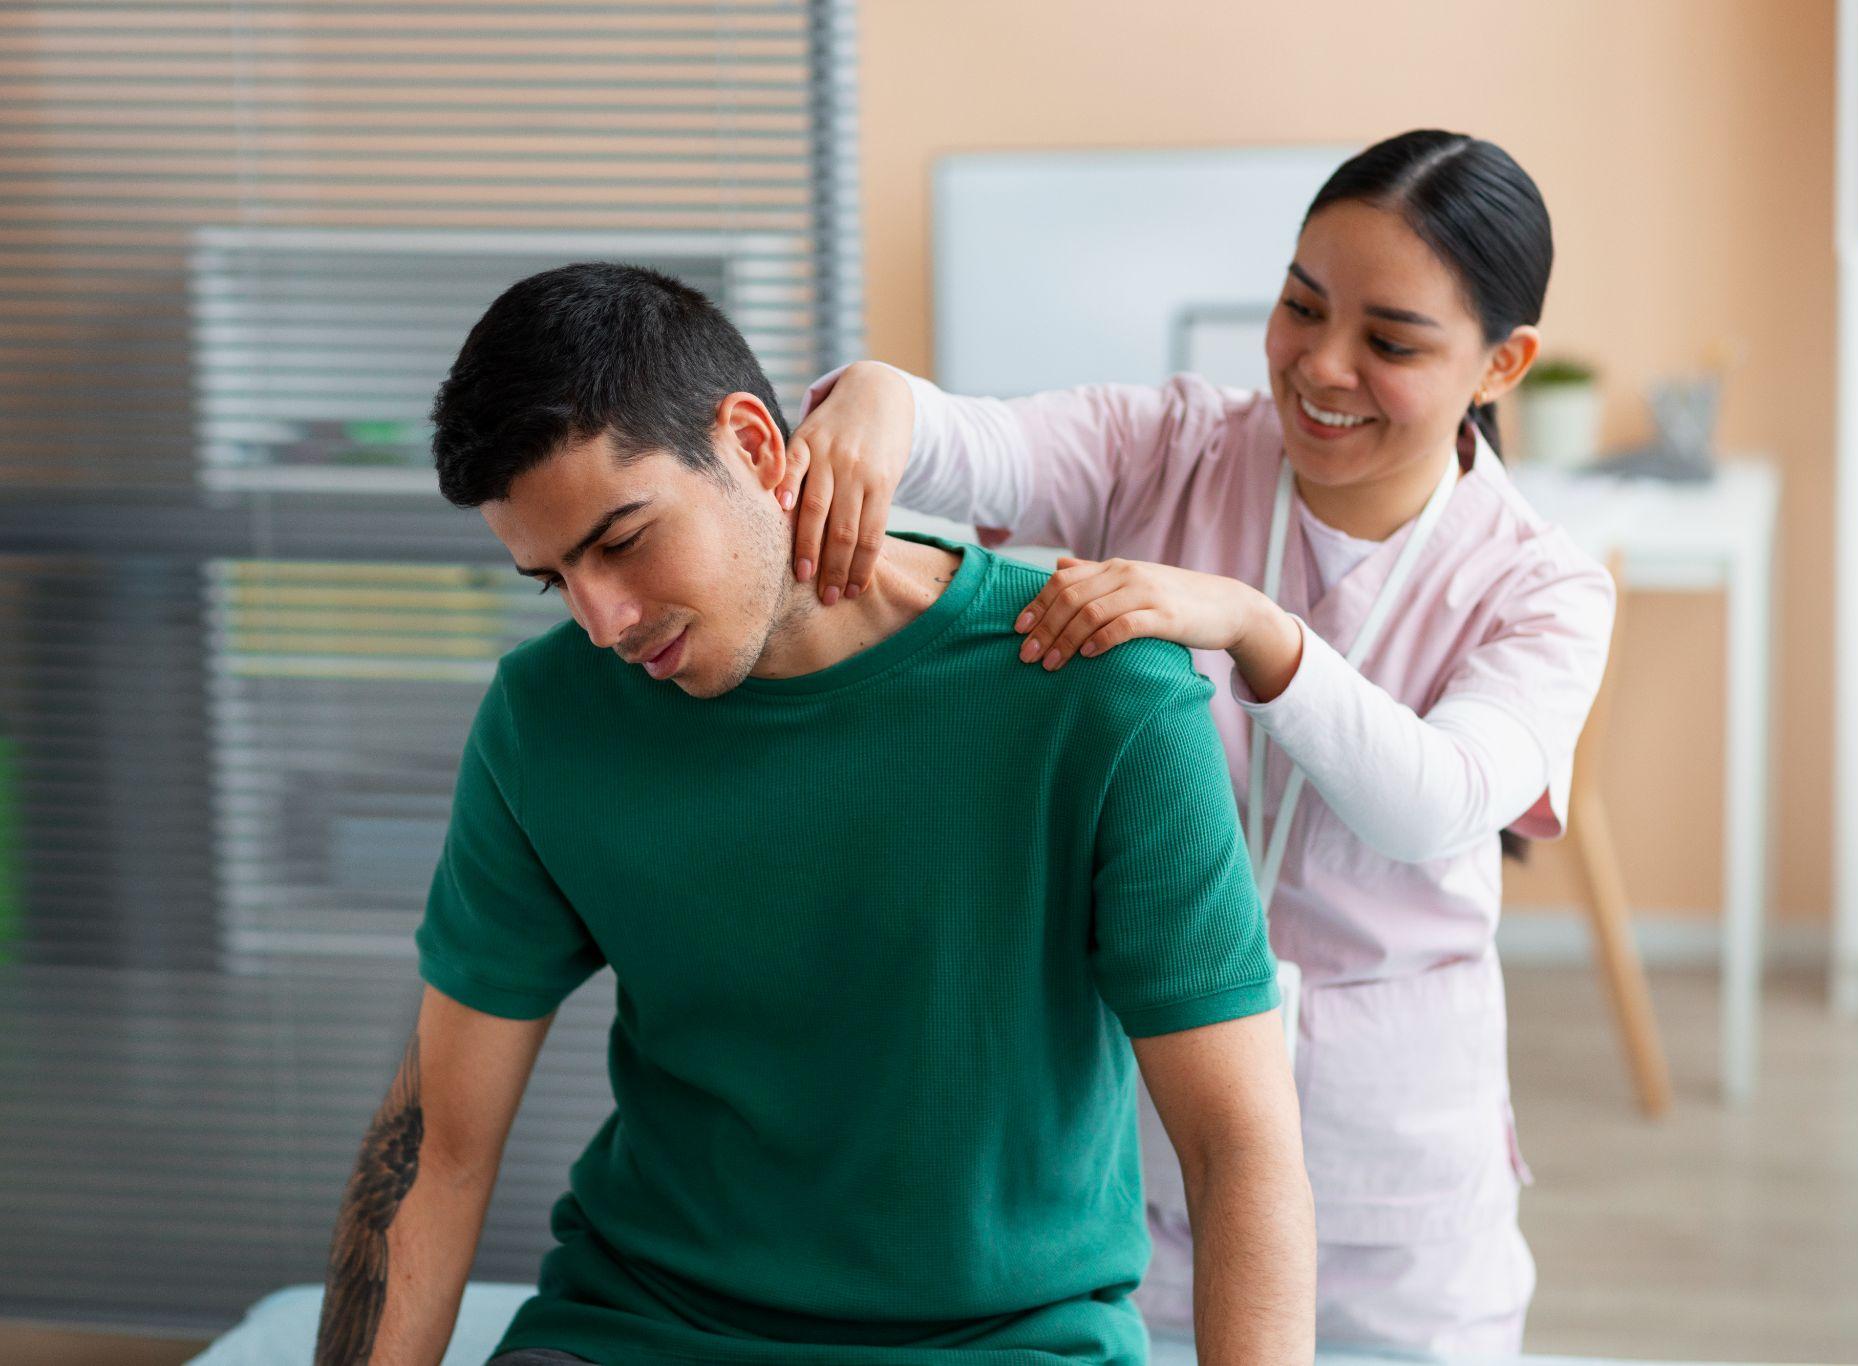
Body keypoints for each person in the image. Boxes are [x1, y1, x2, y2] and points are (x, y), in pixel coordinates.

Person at [311, 263, 1315, 1366]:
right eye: (554, 579)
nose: (602, 619)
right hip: (638, 1329)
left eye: (622, 538)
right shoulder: (545, 721)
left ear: (751, 443)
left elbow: (1237, 1148)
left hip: (999, 1342)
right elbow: (438, 1143)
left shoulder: (1097, 695)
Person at [785, 129, 1615, 1358]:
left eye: (1388, 341)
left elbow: (1437, 803)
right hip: (1139, 1145)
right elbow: (981, 442)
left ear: (1502, 362)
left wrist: (1251, 628)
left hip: (1388, 1184)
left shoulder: (1540, 586)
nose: (1320, 366)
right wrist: (878, 399)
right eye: (1297, 306)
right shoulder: (1171, 445)